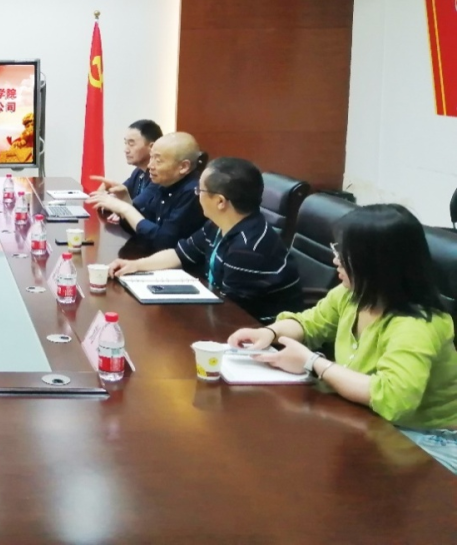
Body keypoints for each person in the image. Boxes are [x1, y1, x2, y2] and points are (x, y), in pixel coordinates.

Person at [228, 204, 457, 473]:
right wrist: (269, 332)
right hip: (370, 419)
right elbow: (310, 323)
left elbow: (393, 399)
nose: (335, 259)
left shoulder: (417, 325)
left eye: (342, 252)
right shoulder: (353, 295)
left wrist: (313, 363)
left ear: (374, 263)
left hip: (426, 439)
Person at [108, 157, 302, 321]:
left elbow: (233, 314)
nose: (197, 196)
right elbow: (180, 254)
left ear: (220, 202)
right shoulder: (218, 224)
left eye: (200, 191)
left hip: (258, 332)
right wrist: (135, 265)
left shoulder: (248, 249)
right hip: (220, 311)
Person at [87, 131, 206, 251]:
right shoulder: (164, 183)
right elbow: (140, 228)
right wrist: (126, 202)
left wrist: (126, 208)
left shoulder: (194, 193)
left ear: (184, 167)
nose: (150, 166)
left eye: (158, 161)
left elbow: (164, 242)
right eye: (151, 157)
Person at [89, 119, 163, 199]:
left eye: (131, 144)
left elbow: (139, 204)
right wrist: (110, 192)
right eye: (126, 143)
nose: (126, 150)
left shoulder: (159, 175)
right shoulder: (138, 172)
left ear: (151, 147)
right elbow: (122, 191)